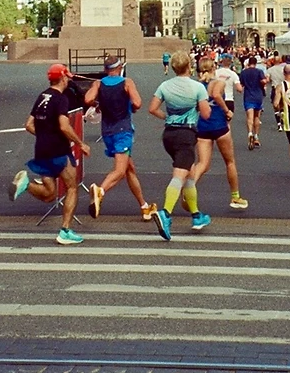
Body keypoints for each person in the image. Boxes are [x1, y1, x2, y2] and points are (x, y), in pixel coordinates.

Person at [9, 63, 91, 245]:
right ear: (62, 78)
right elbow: (64, 126)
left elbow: (28, 124)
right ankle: (65, 230)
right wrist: (80, 143)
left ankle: (26, 185)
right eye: (67, 77)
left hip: (41, 149)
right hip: (58, 149)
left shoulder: (42, 96)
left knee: (49, 194)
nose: (69, 79)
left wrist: (45, 135)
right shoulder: (61, 99)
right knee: (72, 186)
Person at [147, 49, 212, 241]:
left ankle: (196, 215)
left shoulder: (164, 86)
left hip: (169, 134)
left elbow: (152, 109)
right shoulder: (197, 87)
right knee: (179, 176)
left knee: (189, 175)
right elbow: (206, 114)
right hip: (187, 134)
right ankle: (165, 213)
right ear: (189, 66)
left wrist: (167, 116)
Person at [83, 55, 156, 222]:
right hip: (123, 130)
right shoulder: (127, 82)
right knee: (120, 170)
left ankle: (144, 207)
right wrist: (129, 105)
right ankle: (100, 191)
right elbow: (137, 103)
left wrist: (99, 103)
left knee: (130, 169)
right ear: (120, 67)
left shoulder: (98, 83)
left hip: (107, 131)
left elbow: (87, 99)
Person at [193, 57, 248, 209]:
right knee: (230, 162)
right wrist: (227, 110)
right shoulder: (218, 82)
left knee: (202, 163)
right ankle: (235, 196)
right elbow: (216, 94)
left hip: (203, 126)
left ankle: (190, 187)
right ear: (213, 68)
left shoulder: (197, 86)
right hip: (219, 126)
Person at [239, 56, 268, 150]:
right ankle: (256, 136)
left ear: (248, 63)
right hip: (258, 96)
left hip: (248, 96)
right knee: (257, 117)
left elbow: (241, 85)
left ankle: (250, 133)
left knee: (249, 117)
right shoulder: (259, 72)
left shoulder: (244, 72)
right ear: (255, 63)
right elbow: (264, 81)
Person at [215, 51, 242, 116]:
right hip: (229, 99)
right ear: (231, 63)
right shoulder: (233, 74)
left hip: (218, 99)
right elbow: (239, 89)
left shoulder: (215, 73)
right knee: (227, 122)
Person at [266, 54, 285, 130]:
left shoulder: (270, 70)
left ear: (273, 61)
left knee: (275, 106)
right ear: (280, 61)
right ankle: (283, 116)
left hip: (275, 88)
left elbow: (267, 79)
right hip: (283, 88)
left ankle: (279, 124)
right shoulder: (283, 69)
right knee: (282, 105)